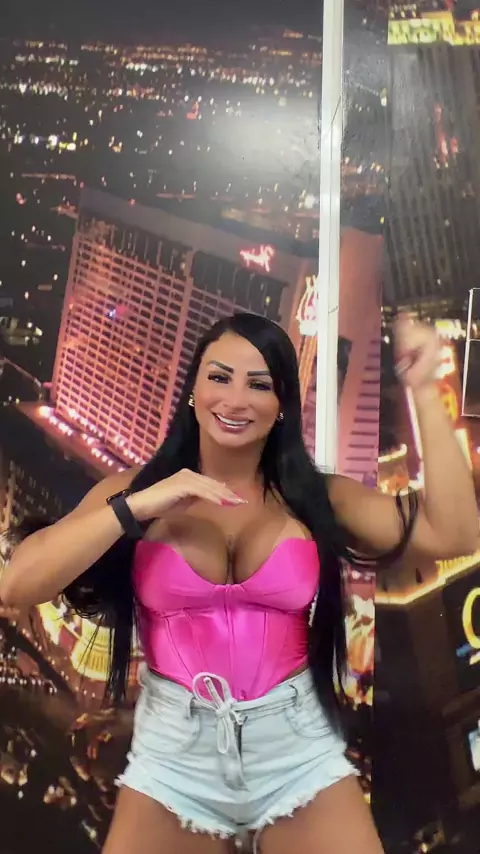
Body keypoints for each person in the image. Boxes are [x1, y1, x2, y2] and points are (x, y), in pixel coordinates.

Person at [1, 312, 477, 854]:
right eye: (220, 377)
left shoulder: (314, 496)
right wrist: (136, 507)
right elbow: (17, 585)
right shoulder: (137, 490)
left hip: (296, 752)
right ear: (194, 390)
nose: (235, 400)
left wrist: (425, 387)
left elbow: (453, 532)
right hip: (175, 758)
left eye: (258, 384)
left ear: (281, 405)